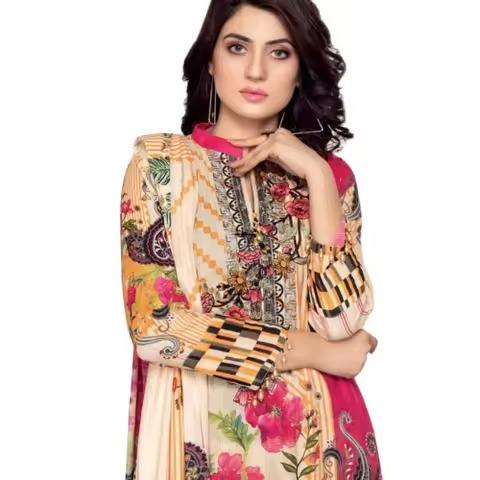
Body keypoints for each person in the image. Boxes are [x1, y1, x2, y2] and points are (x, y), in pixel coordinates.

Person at [119, 1, 382, 478]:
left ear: (300, 70)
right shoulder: (159, 167)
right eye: (238, 47)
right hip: (197, 439)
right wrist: (316, 353)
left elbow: (343, 322)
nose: (256, 70)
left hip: (322, 445)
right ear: (210, 59)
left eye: (279, 53)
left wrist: (317, 175)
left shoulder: (331, 177)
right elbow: (156, 329)